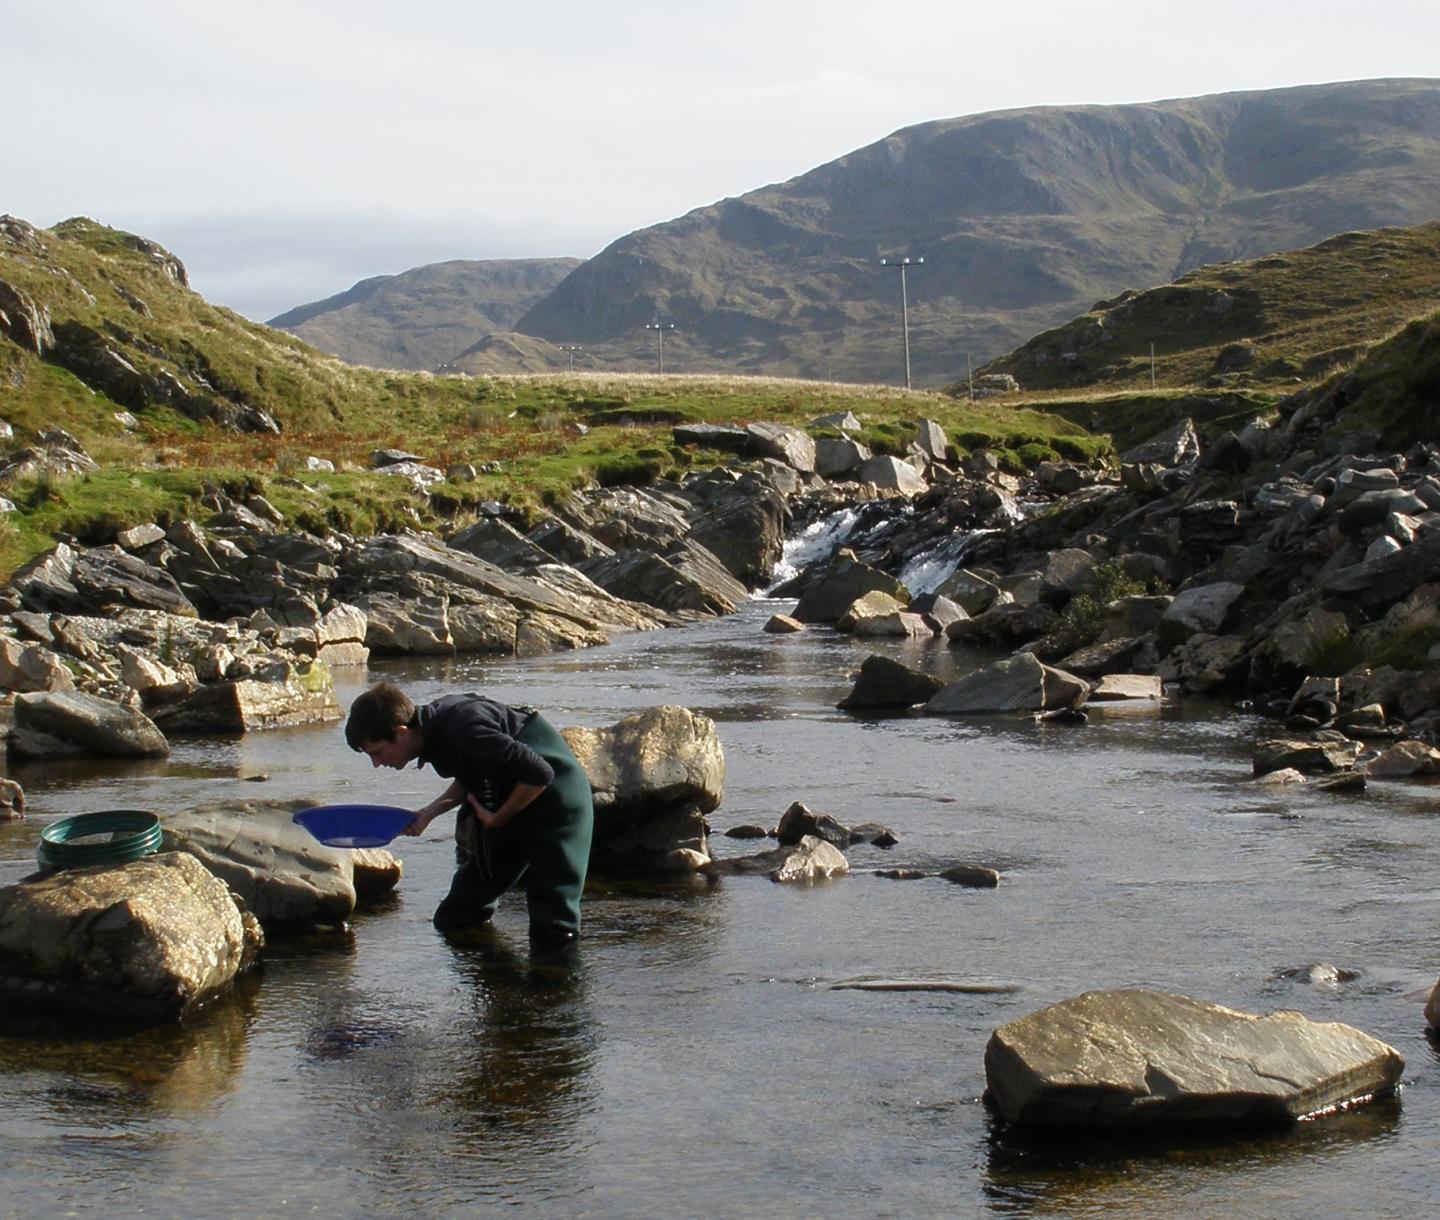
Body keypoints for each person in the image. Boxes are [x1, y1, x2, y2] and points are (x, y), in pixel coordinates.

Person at [345, 682, 593, 945]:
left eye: (378, 752)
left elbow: (540, 773)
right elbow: (473, 770)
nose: (376, 763)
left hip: (557, 802)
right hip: (511, 802)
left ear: (402, 732)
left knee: (553, 926)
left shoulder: (463, 727)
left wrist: (498, 819)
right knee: (457, 914)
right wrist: (428, 813)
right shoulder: (433, 730)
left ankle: (556, 980)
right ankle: (495, 982)